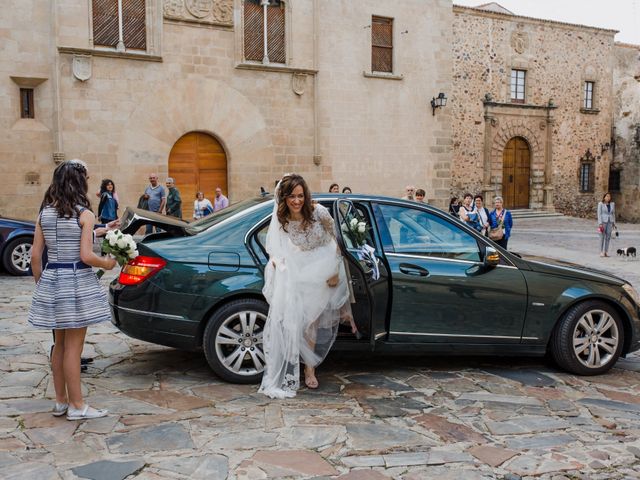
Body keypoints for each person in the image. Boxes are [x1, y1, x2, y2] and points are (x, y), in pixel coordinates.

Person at [28, 159, 117, 420]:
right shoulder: (84, 214)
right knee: (74, 348)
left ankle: (60, 402)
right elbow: (86, 255)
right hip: (77, 281)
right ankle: (78, 406)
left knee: (59, 344)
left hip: (53, 278)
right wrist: (108, 263)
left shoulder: (44, 213)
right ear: (79, 183)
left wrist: (41, 285)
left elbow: (35, 256)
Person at [259, 173, 353, 398]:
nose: (297, 200)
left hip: (326, 266)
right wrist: (275, 263)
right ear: (284, 198)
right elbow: (275, 247)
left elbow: (338, 239)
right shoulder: (282, 220)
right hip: (301, 268)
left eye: (300, 195)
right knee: (300, 319)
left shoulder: (319, 212)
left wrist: (335, 270)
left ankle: (309, 368)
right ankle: (301, 362)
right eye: (291, 196)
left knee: (311, 320)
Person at [597, 192, 616, 257]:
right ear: (604, 197)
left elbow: (613, 214)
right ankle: (601, 252)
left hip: (610, 222)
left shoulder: (612, 204)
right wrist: (600, 223)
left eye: (609, 196)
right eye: (607, 196)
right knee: (602, 237)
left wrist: (614, 223)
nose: (608, 198)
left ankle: (606, 252)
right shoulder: (600, 204)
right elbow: (599, 214)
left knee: (608, 237)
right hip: (603, 222)